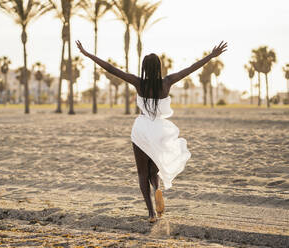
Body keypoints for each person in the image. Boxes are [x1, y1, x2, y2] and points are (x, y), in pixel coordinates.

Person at [76, 40, 227, 223]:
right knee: (153, 172)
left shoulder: (138, 82)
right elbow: (190, 69)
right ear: (159, 67)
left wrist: (88, 54)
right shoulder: (167, 82)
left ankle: (151, 213)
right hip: (160, 131)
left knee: (142, 173)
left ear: (144, 68)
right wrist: (211, 56)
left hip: (141, 130)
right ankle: (157, 188)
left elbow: (111, 69)